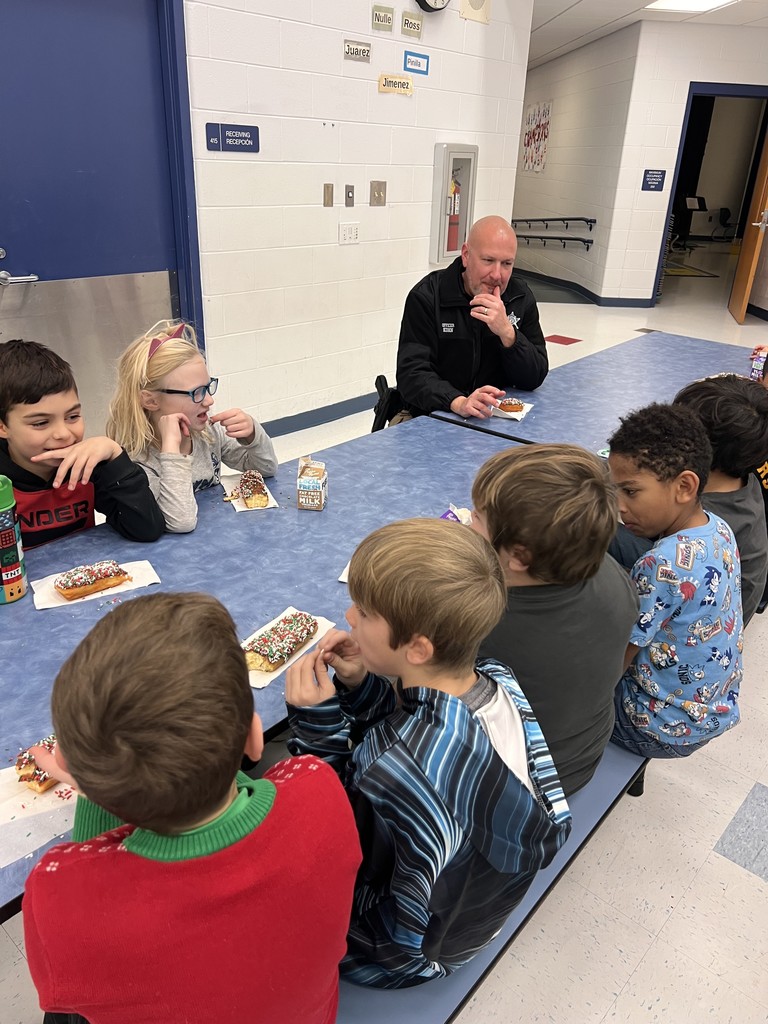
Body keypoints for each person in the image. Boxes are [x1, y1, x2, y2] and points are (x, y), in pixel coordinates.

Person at [23, 592, 361, 1024]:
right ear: (254, 740)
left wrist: (95, 792)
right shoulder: (320, 790)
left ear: (72, 767)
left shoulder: (56, 894)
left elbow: (94, 889)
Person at [285, 518, 571, 989]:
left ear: (417, 648)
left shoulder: (389, 768)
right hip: (467, 920)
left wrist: (317, 729)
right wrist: (362, 685)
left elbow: (327, 839)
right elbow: (416, 735)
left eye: (365, 612)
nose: (349, 616)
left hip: (398, 954)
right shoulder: (497, 679)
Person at [472, 444, 639, 796]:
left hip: (520, 784)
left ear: (519, 555)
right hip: (582, 754)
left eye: (477, 518)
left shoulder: (479, 623)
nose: (470, 522)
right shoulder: (609, 571)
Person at [607, 403, 743, 759]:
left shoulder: (660, 564)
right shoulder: (719, 528)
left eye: (631, 491)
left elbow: (616, 659)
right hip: (710, 710)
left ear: (684, 486)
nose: (619, 506)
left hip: (654, 727)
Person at [610, 374, 768, 624]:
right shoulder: (744, 478)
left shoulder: (707, 515)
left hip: (695, 615)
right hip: (726, 608)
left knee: (597, 527)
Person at [106, 320, 277, 532]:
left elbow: (266, 470)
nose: (209, 401)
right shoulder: (136, 461)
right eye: (195, 392)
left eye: (207, 387)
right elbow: (180, 522)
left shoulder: (206, 433)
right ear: (150, 401)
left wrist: (252, 435)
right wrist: (172, 450)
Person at [0, 339, 164, 548]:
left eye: (73, 416)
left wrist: (115, 456)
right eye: (41, 423)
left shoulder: (89, 466)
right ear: (3, 427)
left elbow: (146, 529)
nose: (63, 434)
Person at [395, 216, 548, 420]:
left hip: (493, 420)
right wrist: (459, 402)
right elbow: (411, 374)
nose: (497, 274)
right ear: (466, 255)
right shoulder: (428, 297)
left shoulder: (520, 297)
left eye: (506, 264)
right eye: (488, 260)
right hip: (432, 415)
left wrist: (508, 334)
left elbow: (534, 377)